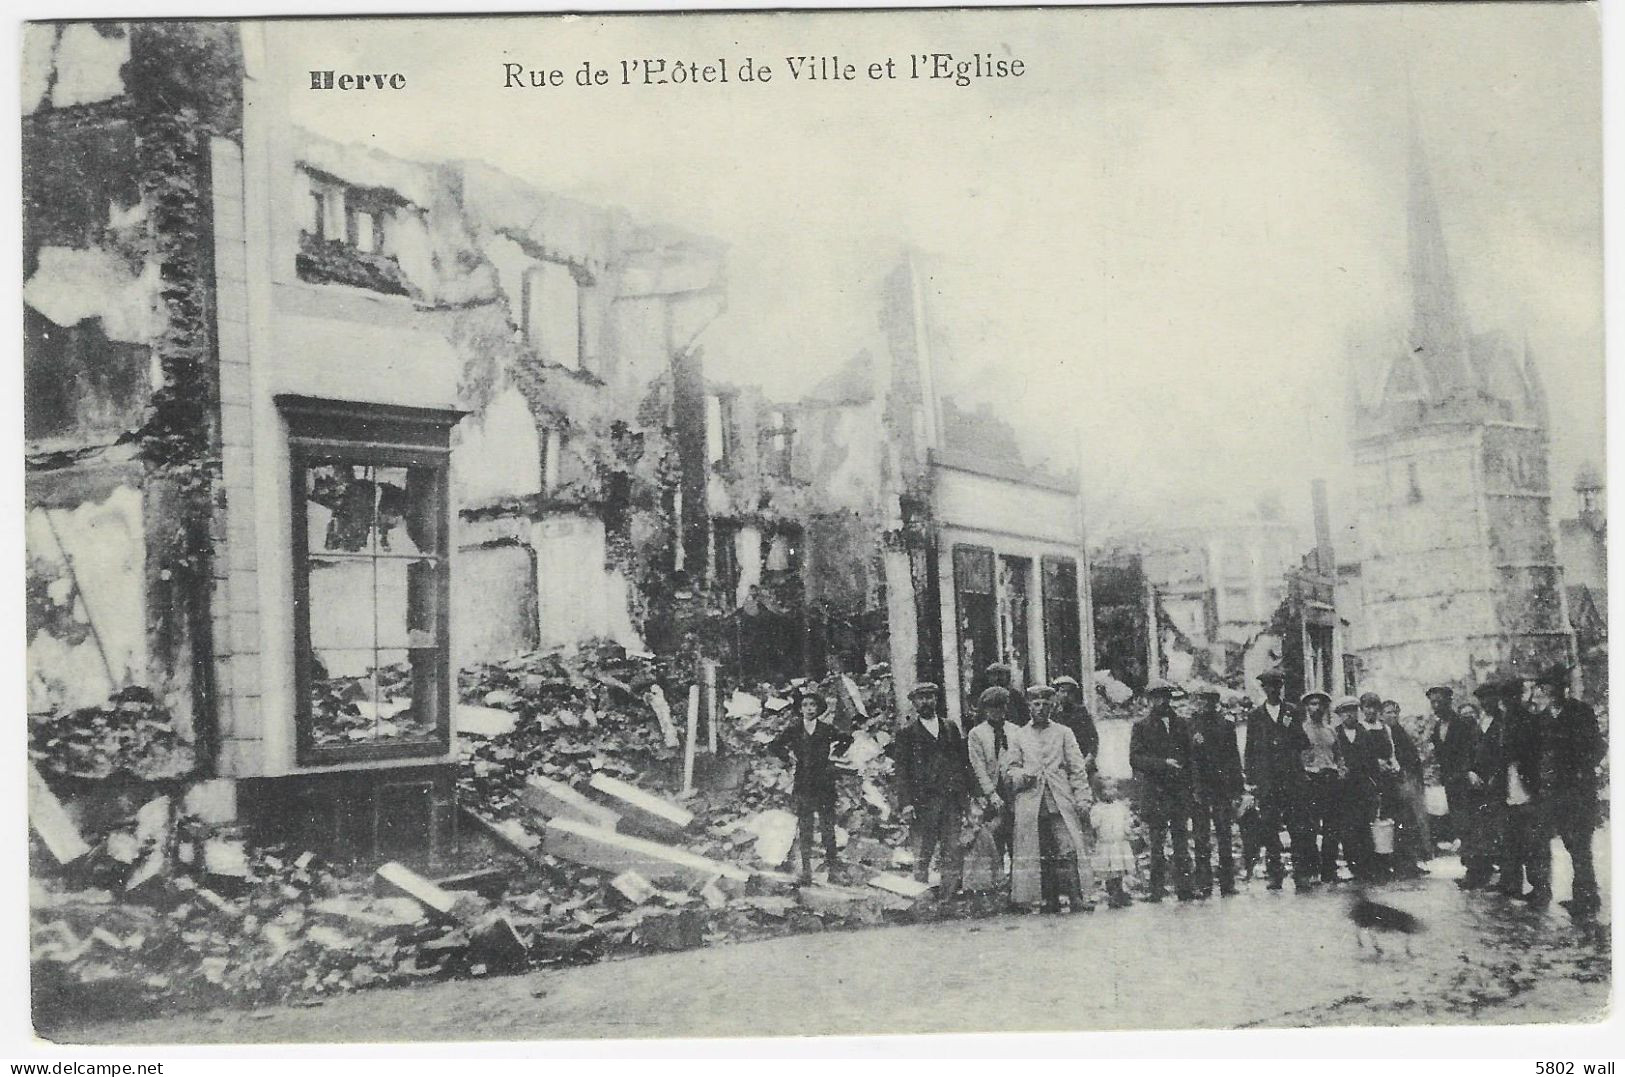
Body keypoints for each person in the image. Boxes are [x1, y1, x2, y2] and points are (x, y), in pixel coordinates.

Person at [1005, 685, 1095, 913]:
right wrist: (1020, 776)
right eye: (1036, 704)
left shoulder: (1064, 732)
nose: (1041, 708)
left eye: (1046, 704)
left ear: (1053, 706)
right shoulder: (1019, 735)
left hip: (1059, 798)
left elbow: (1077, 768)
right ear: (1029, 707)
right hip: (1031, 801)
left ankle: (1076, 898)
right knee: (1041, 851)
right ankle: (1049, 900)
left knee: (1067, 848)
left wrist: (1083, 797)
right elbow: (1011, 767)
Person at [1532, 665, 1604, 918]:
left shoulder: (1580, 712)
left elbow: (1598, 747)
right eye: (1546, 685)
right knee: (1567, 841)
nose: (1550, 689)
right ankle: (1582, 895)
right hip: (1553, 792)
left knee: (1580, 845)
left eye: (1555, 684)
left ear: (1563, 687)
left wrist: (1581, 770)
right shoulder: (1543, 718)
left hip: (1578, 790)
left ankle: (1586, 898)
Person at [894, 682, 971, 896]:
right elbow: (901, 771)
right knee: (923, 852)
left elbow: (962, 763)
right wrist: (907, 804)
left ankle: (949, 896)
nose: (926, 701)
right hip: (923, 802)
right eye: (921, 698)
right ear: (914, 703)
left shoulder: (950, 727)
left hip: (951, 800)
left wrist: (967, 799)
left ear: (936, 700)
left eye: (930, 697)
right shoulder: (906, 733)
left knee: (952, 849)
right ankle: (920, 897)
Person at [770, 689, 854, 884]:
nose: (809, 709)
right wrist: (788, 758)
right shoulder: (794, 729)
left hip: (824, 782)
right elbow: (774, 745)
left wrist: (835, 755)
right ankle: (806, 871)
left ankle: (833, 870)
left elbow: (847, 738)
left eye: (813, 705)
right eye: (806, 705)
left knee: (827, 827)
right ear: (800, 708)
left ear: (819, 709)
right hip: (803, 783)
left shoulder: (826, 729)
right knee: (805, 827)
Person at [1129, 681, 1197, 902]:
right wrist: (1163, 764)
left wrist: (1187, 776)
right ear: (1150, 700)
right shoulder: (1141, 726)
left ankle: (1184, 888)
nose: (1162, 701)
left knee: (1181, 842)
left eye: (1166, 697)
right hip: (1156, 792)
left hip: (1178, 792)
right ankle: (1156, 890)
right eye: (1157, 697)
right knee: (1156, 843)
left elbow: (1192, 755)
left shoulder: (1184, 724)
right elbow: (1135, 759)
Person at [1242, 668, 1302, 890]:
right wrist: (1251, 779)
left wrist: (1289, 731)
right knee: (1268, 828)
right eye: (1268, 686)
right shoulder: (1255, 716)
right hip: (1267, 781)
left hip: (1290, 779)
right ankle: (1275, 874)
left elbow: (1302, 742)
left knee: (1296, 826)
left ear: (1281, 687)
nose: (1273, 690)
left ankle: (1300, 872)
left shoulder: (1292, 712)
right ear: (1264, 689)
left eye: (1276, 685)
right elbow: (1250, 750)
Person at [1495, 677, 1549, 906]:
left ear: (1519, 697)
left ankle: (1540, 888)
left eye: (1512, 697)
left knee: (1534, 841)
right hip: (1508, 784)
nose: (1508, 702)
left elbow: (1533, 752)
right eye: (1505, 698)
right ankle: (1512, 883)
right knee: (1511, 839)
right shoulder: (1504, 721)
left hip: (1527, 784)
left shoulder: (1529, 720)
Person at [1189, 688, 1244, 897]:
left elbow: (1233, 758)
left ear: (1216, 702)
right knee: (1201, 837)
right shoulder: (1191, 725)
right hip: (1200, 789)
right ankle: (1204, 884)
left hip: (1222, 788)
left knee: (1224, 836)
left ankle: (1227, 884)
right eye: (1202, 700)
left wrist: (1237, 788)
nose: (1205, 705)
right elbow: (1189, 758)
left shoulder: (1226, 725)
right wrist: (1193, 787)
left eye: (1210, 701)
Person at [1330, 695, 1381, 882]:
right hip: (1343, 789)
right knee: (1347, 829)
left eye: (1352, 711)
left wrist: (1375, 786)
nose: (1349, 715)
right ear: (1339, 715)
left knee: (1364, 827)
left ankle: (1367, 867)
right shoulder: (1335, 734)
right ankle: (1353, 865)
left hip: (1363, 788)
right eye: (1345, 712)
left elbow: (1373, 763)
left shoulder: (1364, 733)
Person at [966, 686, 1016, 868]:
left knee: (1015, 838)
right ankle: (996, 881)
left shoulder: (1015, 731)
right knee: (993, 839)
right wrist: (991, 795)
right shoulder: (976, 734)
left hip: (1012, 792)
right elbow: (977, 767)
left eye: (1000, 708)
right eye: (991, 708)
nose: (996, 712)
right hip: (989, 793)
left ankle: (1014, 883)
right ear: (985, 710)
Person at [1458, 692, 1503, 891]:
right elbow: (1467, 754)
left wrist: (1495, 775)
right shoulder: (1476, 727)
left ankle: (1491, 873)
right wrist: (1470, 772)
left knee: (1492, 829)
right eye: (1482, 700)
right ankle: (1474, 872)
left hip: (1493, 785)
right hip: (1474, 786)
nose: (1486, 703)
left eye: (1489, 699)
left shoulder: (1500, 723)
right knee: (1474, 829)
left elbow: (1502, 754)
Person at [1297, 690, 1343, 887]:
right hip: (1311, 779)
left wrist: (1340, 770)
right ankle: (1312, 869)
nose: (1317, 708)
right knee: (1310, 827)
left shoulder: (1331, 731)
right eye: (1313, 704)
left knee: (1332, 828)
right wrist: (1302, 774)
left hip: (1330, 779)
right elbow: (1295, 755)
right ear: (1307, 707)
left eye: (1321, 704)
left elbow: (1339, 755)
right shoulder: (1300, 730)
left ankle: (1329, 870)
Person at [1381, 699, 1430, 876]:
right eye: (1388, 712)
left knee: (1409, 823)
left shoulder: (1400, 732)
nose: (1393, 715)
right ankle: (1394, 864)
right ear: (1381, 715)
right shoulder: (1381, 733)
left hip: (1406, 784)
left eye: (1396, 712)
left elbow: (1411, 757)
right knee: (1393, 824)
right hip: (1390, 786)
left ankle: (1409, 862)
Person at [1426, 685, 1477, 849]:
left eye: (1439, 702)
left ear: (1449, 701)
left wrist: (1467, 771)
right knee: (1458, 822)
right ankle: (1468, 863)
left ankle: (1475, 866)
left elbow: (1470, 751)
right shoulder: (1437, 727)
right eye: (1432, 702)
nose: (1435, 706)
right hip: (1449, 780)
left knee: (1468, 821)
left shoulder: (1463, 723)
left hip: (1464, 779)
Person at [1090, 780, 1136, 908]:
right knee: (1109, 871)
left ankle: (1120, 892)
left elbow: (1127, 819)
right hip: (1106, 844)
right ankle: (1113, 894)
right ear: (1100, 792)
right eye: (1107, 789)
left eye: (1114, 788)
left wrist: (1127, 828)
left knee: (1119, 870)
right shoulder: (1097, 808)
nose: (1111, 792)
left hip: (1119, 843)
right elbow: (1094, 824)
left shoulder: (1120, 807)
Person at [1050, 675, 1100, 769]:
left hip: (1082, 760)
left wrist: (1090, 757)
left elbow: (1093, 737)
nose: (1066, 695)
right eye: (1062, 691)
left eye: (1069, 692)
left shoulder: (1081, 713)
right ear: (1056, 693)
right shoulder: (1052, 715)